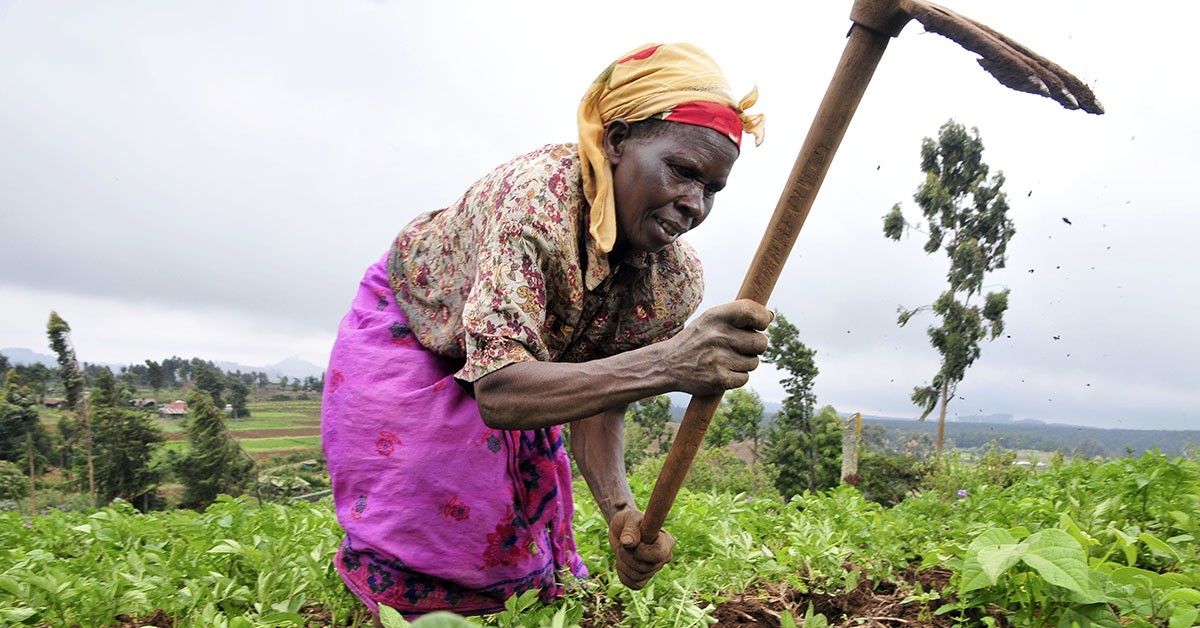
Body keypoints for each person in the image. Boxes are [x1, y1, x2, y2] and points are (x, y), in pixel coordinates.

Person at [321, 42, 772, 620]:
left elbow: (600, 400)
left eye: (712, 188)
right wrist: (670, 363)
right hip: (418, 321)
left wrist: (620, 514)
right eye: (682, 171)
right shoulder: (538, 203)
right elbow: (501, 391)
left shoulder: (672, 281)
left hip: (521, 356)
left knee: (510, 553)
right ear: (616, 141)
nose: (694, 204)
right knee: (429, 500)